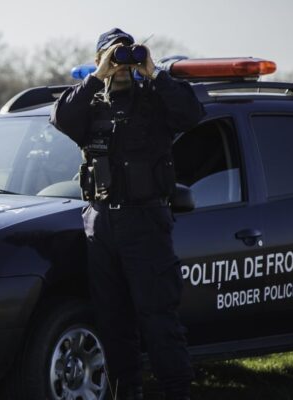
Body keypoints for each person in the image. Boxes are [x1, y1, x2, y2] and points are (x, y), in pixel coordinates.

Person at [50, 28, 205, 400]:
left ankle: (176, 392)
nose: (121, 63)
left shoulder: (155, 100)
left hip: (145, 223)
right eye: (113, 56)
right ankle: (125, 393)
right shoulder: (89, 104)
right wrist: (97, 76)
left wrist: (155, 72)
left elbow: (192, 113)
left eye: (126, 56)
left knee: (158, 320)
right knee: (112, 322)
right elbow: (60, 117)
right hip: (101, 224)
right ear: (100, 58)